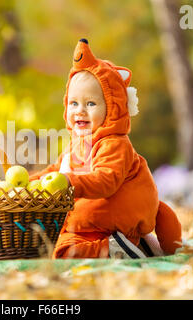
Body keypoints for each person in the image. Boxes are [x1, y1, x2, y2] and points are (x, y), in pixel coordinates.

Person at [29, 39, 182, 259]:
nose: (80, 111)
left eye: (90, 104)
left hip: (111, 224)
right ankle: (132, 247)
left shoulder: (114, 144)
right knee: (51, 247)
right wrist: (29, 184)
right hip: (87, 227)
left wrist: (70, 182)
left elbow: (106, 180)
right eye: (74, 104)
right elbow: (56, 170)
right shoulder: (77, 144)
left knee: (64, 253)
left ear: (112, 108)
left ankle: (118, 247)